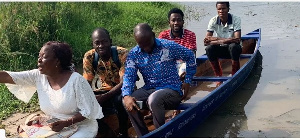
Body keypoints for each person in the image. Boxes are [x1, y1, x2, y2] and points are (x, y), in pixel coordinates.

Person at [0, 41, 103, 138]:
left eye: (43, 57)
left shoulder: (77, 81)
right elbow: (8, 77)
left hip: (82, 127)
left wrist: (66, 123)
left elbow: (89, 111)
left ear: (57, 61)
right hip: (54, 125)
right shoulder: (38, 76)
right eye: (39, 56)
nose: (39, 60)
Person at [122, 23, 196, 137]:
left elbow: (190, 56)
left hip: (172, 89)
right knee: (127, 101)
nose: (146, 48)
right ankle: (144, 135)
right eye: (142, 45)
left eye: (148, 44)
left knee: (154, 99)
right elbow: (129, 76)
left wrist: (187, 81)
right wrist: (126, 95)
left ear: (153, 35)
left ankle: (161, 134)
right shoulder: (134, 54)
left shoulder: (168, 46)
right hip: (149, 88)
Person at [82, 28, 129, 138]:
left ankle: (123, 133)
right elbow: (86, 83)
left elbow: (124, 82)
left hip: (123, 89)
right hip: (105, 89)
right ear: (93, 44)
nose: (101, 45)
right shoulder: (89, 56)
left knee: (119, 101)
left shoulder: (122, 53)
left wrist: (104, 97)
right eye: (97, 43)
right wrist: (87, 98)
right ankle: (105, 131)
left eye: (104, 42)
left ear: (110, 41)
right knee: (87, 103)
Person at [157, 7, 197, 119]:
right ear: (169, 22)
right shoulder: (163, 35)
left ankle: (176, 107)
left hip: (185, 64)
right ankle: (155, 107)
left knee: (180, 73)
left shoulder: (190, 35)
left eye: (179, 20)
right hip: (169, 64)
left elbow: (190, 55)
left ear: (183, 22)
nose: (176, 23)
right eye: (173, 20)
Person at [204, 1, 242, 86]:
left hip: (233, 50)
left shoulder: (236, 19)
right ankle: (218, 75)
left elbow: (237, 39)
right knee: (209, 49)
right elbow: (206, 41)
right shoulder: (213, 20)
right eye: (219, 9)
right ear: (217, 10)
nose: (221, 11)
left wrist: (216, 39)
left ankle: (234, 73)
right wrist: (223, 41)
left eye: (223, 8)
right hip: (221, 48)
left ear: (228, 9)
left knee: (234, 46)